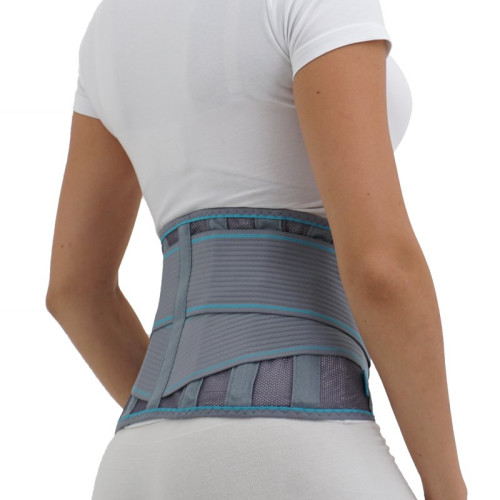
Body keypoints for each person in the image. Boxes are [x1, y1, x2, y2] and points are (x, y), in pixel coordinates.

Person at [46, 0, 467, 498]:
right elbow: (382, 268)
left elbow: (75, 292)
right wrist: (448, 489)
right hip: (300, 455)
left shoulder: (110, 23)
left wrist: (189, 412)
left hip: (138, 463)